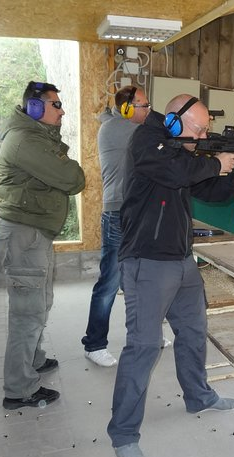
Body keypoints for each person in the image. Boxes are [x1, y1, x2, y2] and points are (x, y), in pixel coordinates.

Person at [107, 94, 234, 457]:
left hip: (181, 259)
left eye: (206, 129)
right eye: (198, 128)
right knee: (143, 347)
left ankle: (199, 396)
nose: (203, 135)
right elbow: (179, 172)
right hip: (147, 260)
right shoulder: (148, 140)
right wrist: (214, 161)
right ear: (174, 122)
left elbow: (203, 188)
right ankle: (124, 432)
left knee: (194, 333)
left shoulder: (180, 150)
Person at [0, 81, 86, 410]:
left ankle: (33, 360)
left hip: (32, 233)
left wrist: (56, 151)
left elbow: (64, 172)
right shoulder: (26, 141)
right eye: (56, 105)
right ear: (35, 108)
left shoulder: (37, 138)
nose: (62, 111)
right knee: (26, 314)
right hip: (24, 234)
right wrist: (60, 159)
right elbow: (74, 179)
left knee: (39, 303)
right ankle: (18, 389)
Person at [82, 85, 155, 368]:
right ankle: (94, 344)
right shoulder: (118, 129)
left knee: (142, 279)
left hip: (137, 213)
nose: (148, 111)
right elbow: (163, 135)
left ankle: (144, 334)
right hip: (118, 214)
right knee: (110, 283)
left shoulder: (131, 128)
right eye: (143, 106)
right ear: (126, 109)